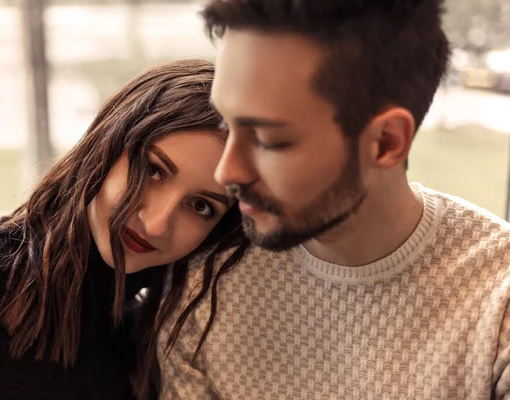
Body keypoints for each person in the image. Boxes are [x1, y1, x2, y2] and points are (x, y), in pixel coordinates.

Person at [158, 1, 510, 399]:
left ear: (385, 142)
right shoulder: (205, 287)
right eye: (227, 122)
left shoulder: (498, 304)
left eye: (270, 140)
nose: (227, 172)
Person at [0, 59, 249, 400]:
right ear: (108, 141)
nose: (157, 223)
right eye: (153, 170)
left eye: (201, 206)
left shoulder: (147, 355)